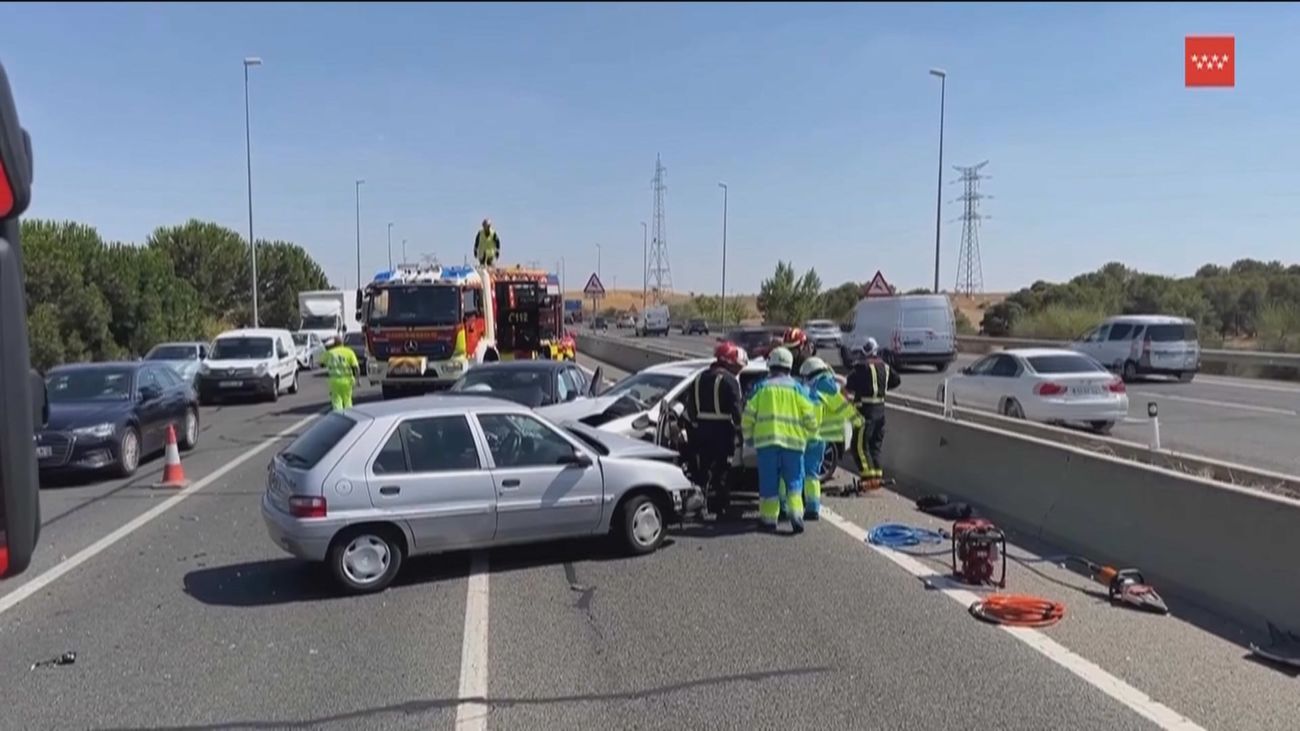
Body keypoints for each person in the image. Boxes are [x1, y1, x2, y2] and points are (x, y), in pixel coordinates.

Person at [742, 346, 818, 534]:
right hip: (794, 444)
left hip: (767, 444)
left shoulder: (761, 388)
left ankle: (769, 520)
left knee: (769, 483)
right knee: (794, 482)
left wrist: (748, 437)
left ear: (771, 366)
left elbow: (748, 416)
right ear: (789, 367)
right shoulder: (799, 389)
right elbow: (810, 417)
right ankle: (796, 516)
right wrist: (812, 435)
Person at [682, 341, 748, 516]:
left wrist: (697, 425)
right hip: (722, 431)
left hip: (701, 431)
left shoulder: (699, 378)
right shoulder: (729, 381)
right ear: (728, 361)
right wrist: (742, 431)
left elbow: (690, 408)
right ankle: (721, 508)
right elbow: (737, 413)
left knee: (702, 472)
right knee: (722, 472)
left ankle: (700, 507)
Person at [798, 356, 861, 519]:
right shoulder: (828, 387)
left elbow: (843, 408)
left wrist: (858, 421)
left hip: (810, 436)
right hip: (821, 439)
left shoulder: (820, 387)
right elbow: (846, 409)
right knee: (812, 473)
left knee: (800, 471)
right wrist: (859, 421)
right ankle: (812, 507)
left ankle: (799, 504)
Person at [844, 337, 900, 492]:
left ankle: (868, 478)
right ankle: (877, 476)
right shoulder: (886, 367)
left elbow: (849, 386)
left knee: (859, 445)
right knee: (875, 445)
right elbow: (897, 381)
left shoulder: (861, 368)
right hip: (880, 411)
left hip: (865, 412)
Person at [323, 335, 361, 411]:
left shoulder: (330, 353)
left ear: (334, 344)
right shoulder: (349, 352)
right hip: (347, 380)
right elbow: (356, 367)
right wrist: (358, 380)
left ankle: (339, 416)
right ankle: (349, 415)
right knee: (348, 400)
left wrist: (327, 347)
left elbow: (320, 361)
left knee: (336, 401)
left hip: (334, 381)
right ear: (342, 343)